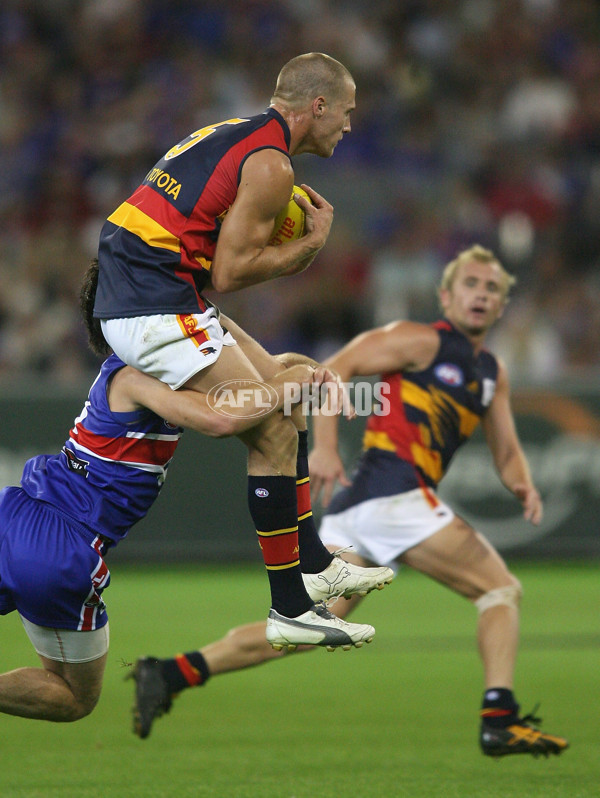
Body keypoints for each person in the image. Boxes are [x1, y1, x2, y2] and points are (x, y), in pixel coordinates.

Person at [130, 245, 569, 758]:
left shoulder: (491, 371)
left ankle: (173, 672)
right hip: (393, 499)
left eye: (491, 289)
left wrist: (522, 483)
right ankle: (500, 718)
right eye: (470, 284)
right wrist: (328, 447)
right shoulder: (419, 339)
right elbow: (333, 369)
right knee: (500, 592)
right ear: (446, 296)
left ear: (500, 306)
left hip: (369, 509)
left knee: (303, 627)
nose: (481, 295)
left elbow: (508, 451)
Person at [92, 52, 392, 648]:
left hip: (148, 292)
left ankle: (311, 562)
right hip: (152, 304)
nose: (349, 126)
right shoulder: (272, 164)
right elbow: (229, 271)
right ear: (318, 106)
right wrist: (312, 246)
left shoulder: (230, 133)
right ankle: (290, 608)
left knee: (292, 381)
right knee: (277, 417)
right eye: (347, 112)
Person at [0, 260, 378, 724]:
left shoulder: (161, 363)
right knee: (73, 697)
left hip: (12, 514)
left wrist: (306, 374)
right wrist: (297, 382)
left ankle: (313, 565)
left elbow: (259, 381)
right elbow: (223, 417)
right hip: (62, 547)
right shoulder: (134, 376)